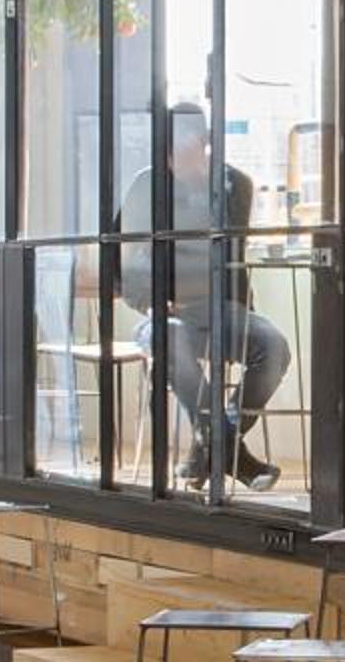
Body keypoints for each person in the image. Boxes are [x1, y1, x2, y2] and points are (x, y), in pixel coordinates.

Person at [113, 102, 284, 491]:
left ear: (205, 142)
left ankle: (208, 448)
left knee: (274, 347)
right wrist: (151, 302)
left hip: (224, 309)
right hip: (166, 315)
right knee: (169, 337)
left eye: (180, 148)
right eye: (166, 149)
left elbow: (222, 253)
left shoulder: (233, 185)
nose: (171, 159)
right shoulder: (147, 185)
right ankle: (233, 454)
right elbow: (119, 257)